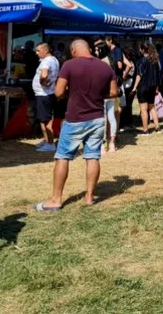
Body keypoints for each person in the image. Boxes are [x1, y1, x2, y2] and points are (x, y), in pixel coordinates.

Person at [35, 40, 117, 212]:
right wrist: (96, 93)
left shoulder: (69, 65)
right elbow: (114, 92)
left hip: (75, 118)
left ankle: (56, 200)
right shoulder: (105, 67)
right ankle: (89, 197)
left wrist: (71, 92)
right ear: (89, 49)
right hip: (97, 118)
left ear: (73, 50)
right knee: (93, 157)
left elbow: (58, 92)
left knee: (63, 157)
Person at [32, 43, 60, 153]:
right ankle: (46, 139)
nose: (36, 53)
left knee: (46, 119)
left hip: (44, 94)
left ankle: (50, 143)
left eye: (38, 51)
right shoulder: (54, 60)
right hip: (45, 93)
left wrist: (42, 82)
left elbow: (44, 75)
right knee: (43, 118)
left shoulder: (47, 61)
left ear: (45, 50)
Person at [132, 42, 162, 136]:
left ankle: (145, 130)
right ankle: (157, 127)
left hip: (143, 86)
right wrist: (157, 87)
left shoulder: (141, 61)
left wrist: (134, 87)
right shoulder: (155, 60)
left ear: (142, 50)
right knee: (152, 107)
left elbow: (139, 75)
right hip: (152, 86)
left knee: (143, 109)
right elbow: (158, 76)